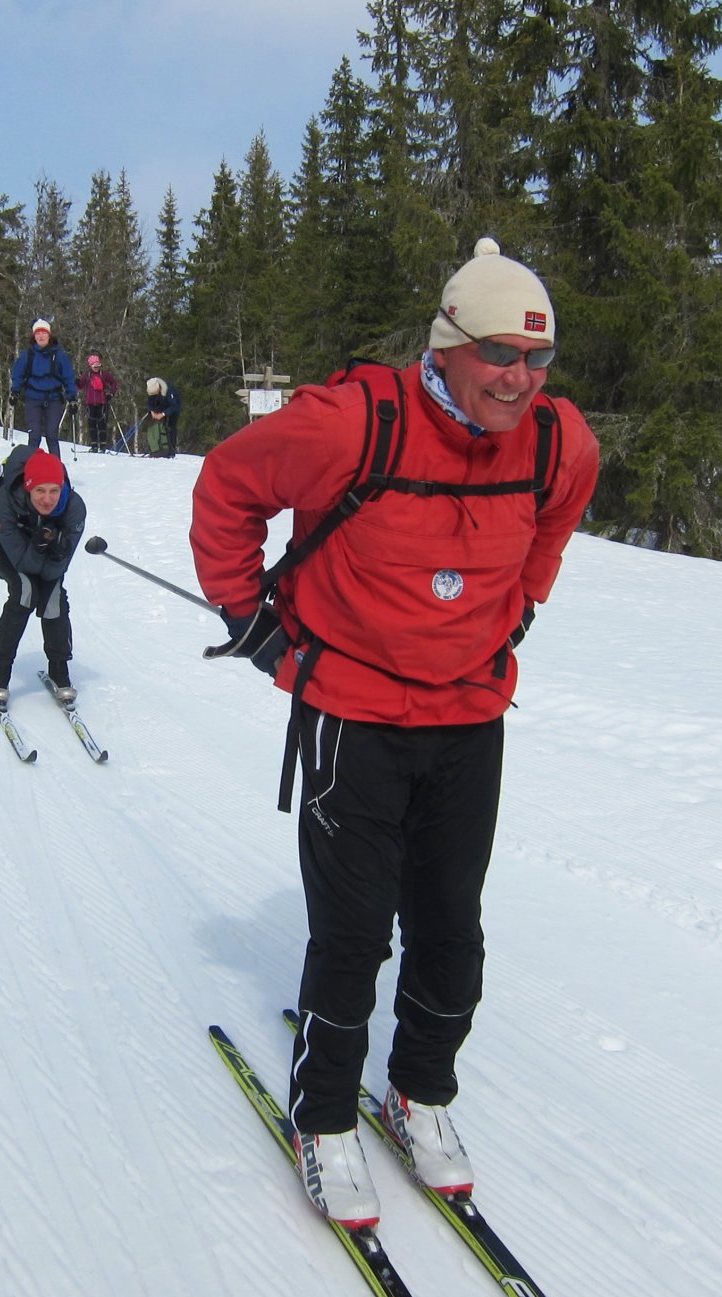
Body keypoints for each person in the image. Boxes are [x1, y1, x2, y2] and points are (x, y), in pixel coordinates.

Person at [188, 238, 600, 1229]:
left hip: (468, 715)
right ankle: (324, 1116)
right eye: (501, 352)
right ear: (449, 344)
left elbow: (552, 527)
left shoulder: (557, 441)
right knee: (354, 932)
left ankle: (420, 1092)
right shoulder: (351, 424)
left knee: (452, 927)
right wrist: (254, 623)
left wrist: (518, 610)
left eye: (538, 360)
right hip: (353, 716)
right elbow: (228, 490)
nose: (519, 379)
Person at [0, 445, 88, 705]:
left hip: (44, 554)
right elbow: (23, 563)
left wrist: (58, 550)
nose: (47, 499)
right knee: (25, 592)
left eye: (54, 491)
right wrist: (40, 545)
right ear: (28, 488)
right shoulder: (4, 507)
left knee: (52, 597)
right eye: (39, 490)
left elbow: (54, 572)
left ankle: (59, 668)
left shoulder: (74, 509)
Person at [10, 319, 77, 457]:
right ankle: (31, 471)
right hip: (33, 398)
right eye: (38, 333)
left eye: (43, 333)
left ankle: (57, 471)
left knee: (52, 435)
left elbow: (68, 377)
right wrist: (14, 392)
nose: (41, 336)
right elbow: (18, 373)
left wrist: (72, 398)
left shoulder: (59, 355)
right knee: (34, 436)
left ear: (49, 335)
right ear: (34, 336)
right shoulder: (27, 355)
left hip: (53, 399)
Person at [78, 353, 119, 451]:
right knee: (91, 423)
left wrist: (111, 393)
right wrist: (75, 383)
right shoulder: (87, 375)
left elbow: (114, 383)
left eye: (98, 365)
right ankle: (94, 445)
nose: (96, 368)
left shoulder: (104, 374)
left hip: (102, 402)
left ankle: (103, 445)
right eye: (94, 366)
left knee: (102, 423)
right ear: (90, 365)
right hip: (90, 403)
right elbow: (80, 386)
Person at [144, 377, 180, 457]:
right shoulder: (152, 390)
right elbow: (149, 402)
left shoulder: (169, 390)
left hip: (173, 408)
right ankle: (157, 448)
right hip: (160, 406)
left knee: (171, 427)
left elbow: (174, 406)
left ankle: (171, 450)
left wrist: (163, 414)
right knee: (156, 427)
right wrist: (152, 411)